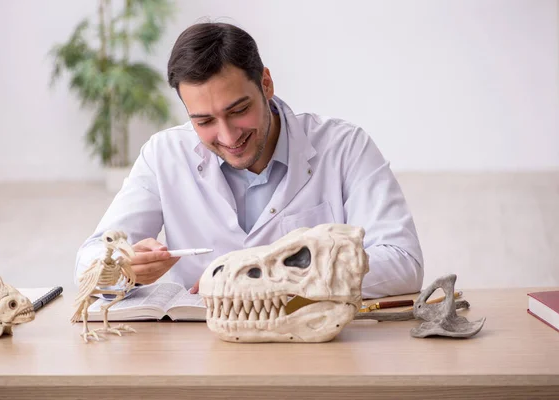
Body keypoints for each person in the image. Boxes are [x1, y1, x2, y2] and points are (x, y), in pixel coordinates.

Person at [74, 22, 424, 299]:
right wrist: (123, 266)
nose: (228, 137)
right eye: (204, 121)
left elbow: (403, 262)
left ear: (266, 84)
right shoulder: (162, 155)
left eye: (238, 110)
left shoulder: (345, 147)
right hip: (201, 354)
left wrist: (264, 277)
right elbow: (89, 260)